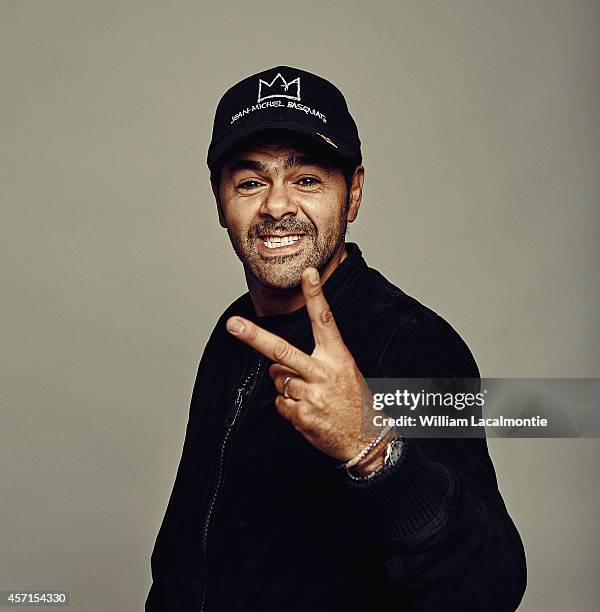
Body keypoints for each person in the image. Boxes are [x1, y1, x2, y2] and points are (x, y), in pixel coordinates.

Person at [145, 65, 527, 611]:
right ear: (219, 199)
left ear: (353, 194)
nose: (277, 206)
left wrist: (371, 448)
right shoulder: (235, 333)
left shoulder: (410, 344)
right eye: (251, 181)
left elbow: (490, 588)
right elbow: (187, 549)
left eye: (307, 179)